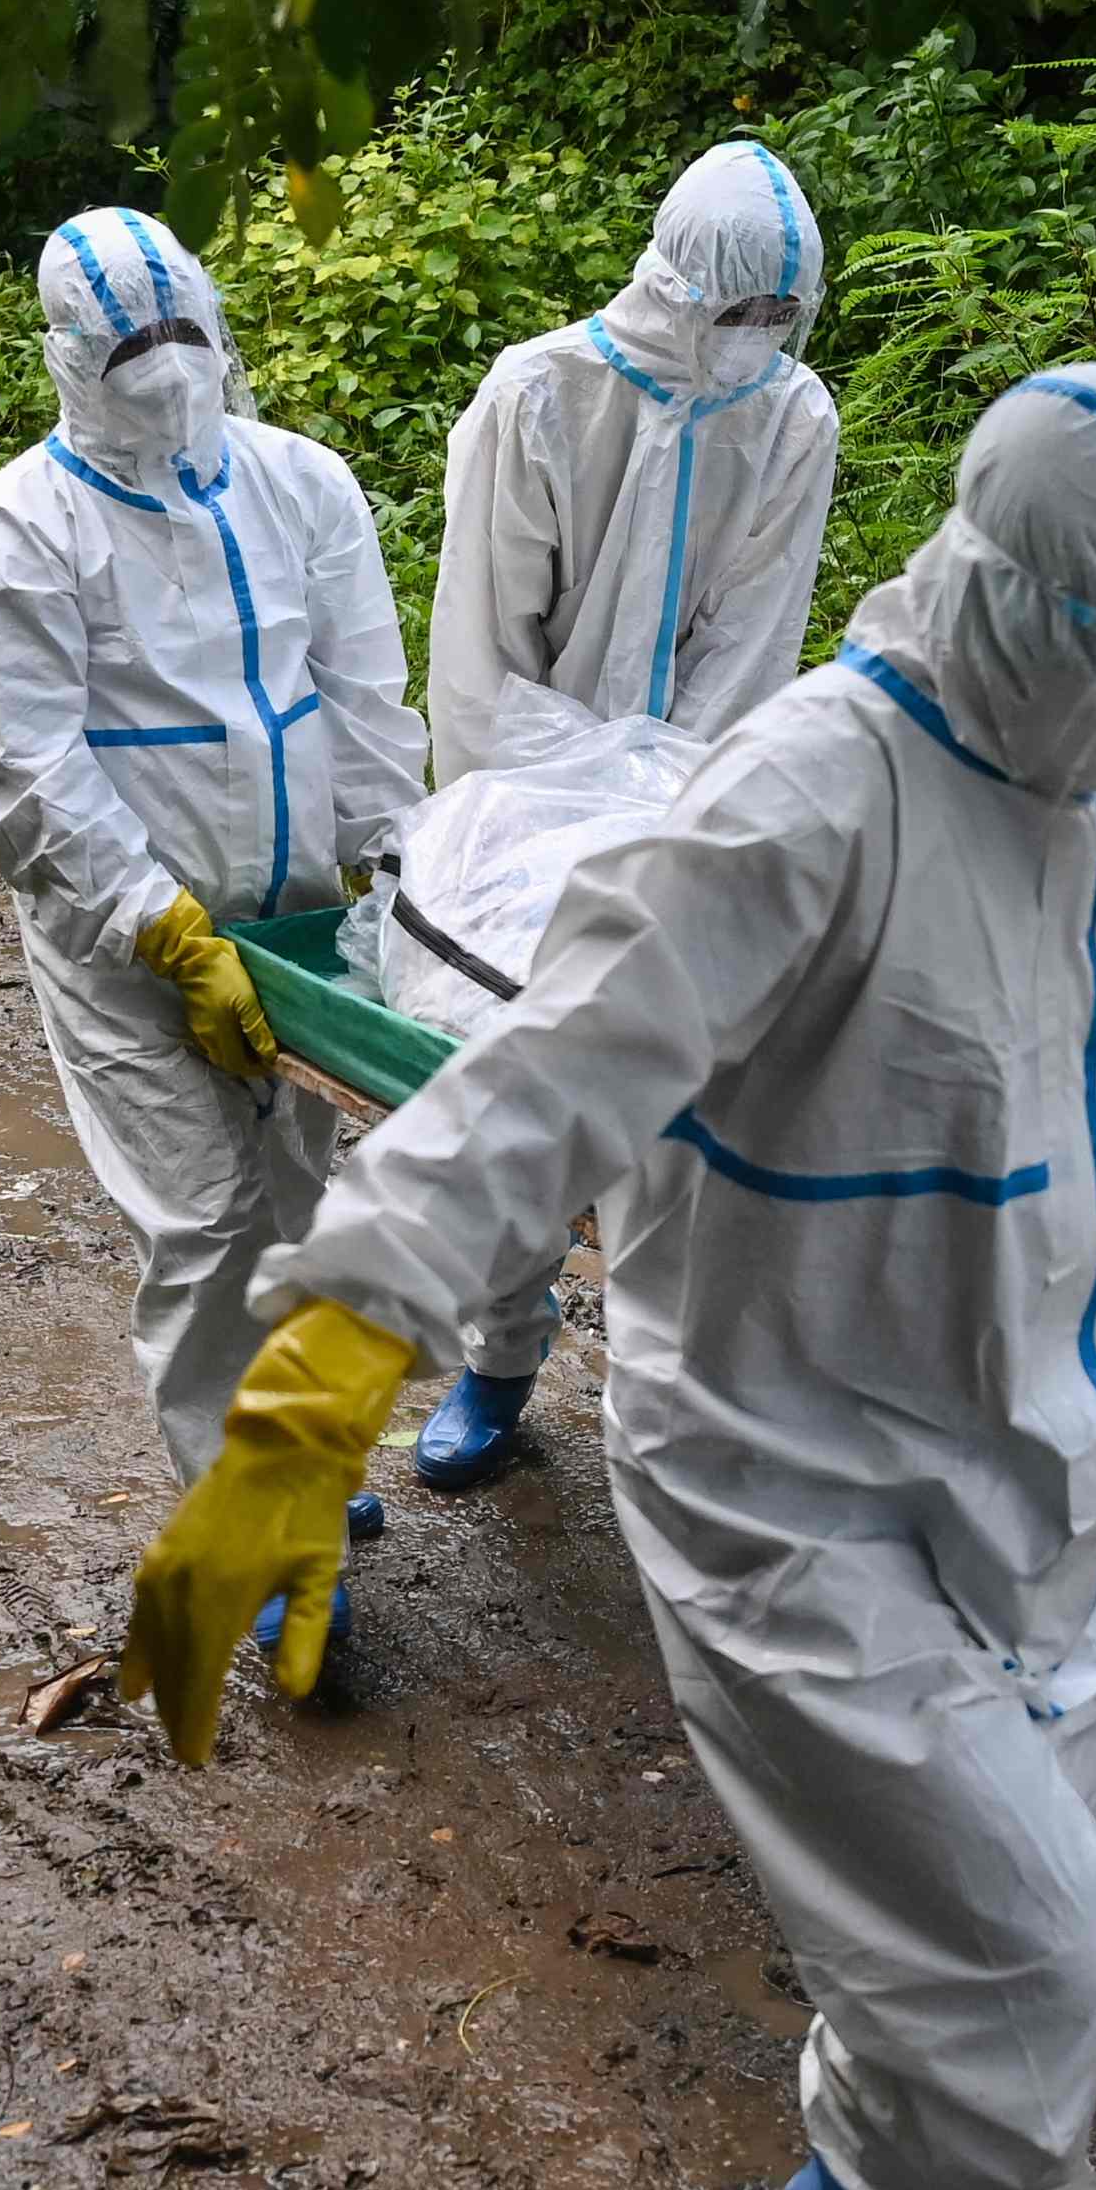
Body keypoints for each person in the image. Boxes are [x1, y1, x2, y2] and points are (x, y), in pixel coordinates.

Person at [121, 364, 1096, 2190]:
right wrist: (311, 1388)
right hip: (794, 1480)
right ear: (1029, 619)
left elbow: (1079, 1114)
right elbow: (539, 1084)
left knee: (968, 1947)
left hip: (1034, 1463)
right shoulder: (807, 801)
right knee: (1043, 1937)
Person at [0, 204, 424, 1577]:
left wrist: (393, 866)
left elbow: (364, 695)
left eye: (184, 330)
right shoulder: (8, 539)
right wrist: (163, 930)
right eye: (132, 342)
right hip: (134, 946)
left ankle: (289, 1460)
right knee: (203, 1225)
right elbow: (19, 769)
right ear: (70, 354)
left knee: (305, 1213)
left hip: (301, 928)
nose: (168, 365)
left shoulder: (301, 485)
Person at [406, 138, 845, 1492]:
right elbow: (482, 660)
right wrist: (558, 810)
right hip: (510, 812)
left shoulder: (790, 416)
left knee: (695, 1106)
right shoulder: (539, 396)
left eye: (783, 318)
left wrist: (676, 803)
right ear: (676, 284)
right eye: (738, 312)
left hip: (687, 802)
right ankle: (495, 1360)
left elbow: (751, 645)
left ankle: (685, 1416)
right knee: (519, 1090)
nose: (756, 341)